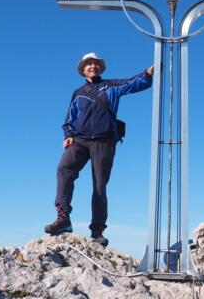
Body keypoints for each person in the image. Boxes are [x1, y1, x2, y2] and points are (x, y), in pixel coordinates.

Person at [45, 52, 154, 246]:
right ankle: (63, 218)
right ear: (83, 69)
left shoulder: (111, 86)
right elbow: (68, 119)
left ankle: (97, 231)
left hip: (104, 141)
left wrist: (148, 73)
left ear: (100, 68)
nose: (92, 66)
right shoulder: (77, 93)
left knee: (99, 185)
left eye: (95, 64)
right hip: (79, 140)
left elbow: (133, 83)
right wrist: (68, 135)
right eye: (88, 64)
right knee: (64, 169)